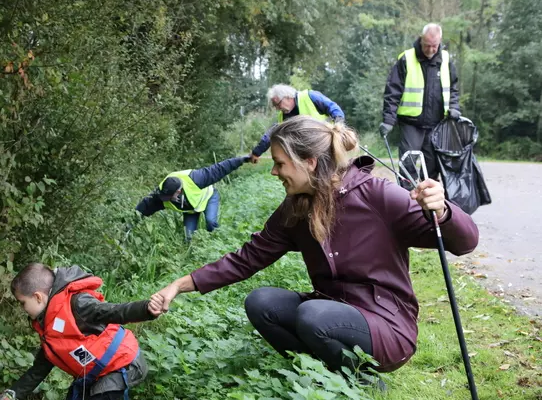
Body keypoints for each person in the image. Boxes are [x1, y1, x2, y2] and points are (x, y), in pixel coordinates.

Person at [150, 117, 479, 381]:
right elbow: (246, 259)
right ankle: (323, 378)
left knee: (312, 314)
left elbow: (465, 242)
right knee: (262, 302)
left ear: (308, 161)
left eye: (280, 163)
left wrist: (444, 211)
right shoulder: (295, 209)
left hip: (386, 329)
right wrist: (180, 285)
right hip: (331, 312)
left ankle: (365, 381)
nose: (274, 171)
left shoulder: (377, 196)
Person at [0, 263, 163, 400]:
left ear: (38, 297)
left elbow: (113, 311)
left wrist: (146, 309)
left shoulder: (77, 304)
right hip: (99, 371)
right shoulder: (48, 325)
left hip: (124, 364)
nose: (23, 309)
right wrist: (11, 395)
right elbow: (38, 370)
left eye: (23, 303)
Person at [380, 23, 461, 185]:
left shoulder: (445, 60)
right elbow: (393, 92)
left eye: (434, 46)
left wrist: (454, 107)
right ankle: (406, 201)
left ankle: (429, 205)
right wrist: (388, 120)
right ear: (421, 39)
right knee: (408, 164)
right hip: (411, 124)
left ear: (440, 42)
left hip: (436, 125)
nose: (431, 50)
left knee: (432, 167)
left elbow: (453, 88)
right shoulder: (406, 59)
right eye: (427, 45)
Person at [135, 154, 251, 240]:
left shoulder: (195, 178)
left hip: (208, 197)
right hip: (191, 209)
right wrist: (129, 223)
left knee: (211, 222)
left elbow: (219, 169)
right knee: (188, 237)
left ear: (179, 191)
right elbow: (144, 207)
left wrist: (241, 160)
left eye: (171, 196)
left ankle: (218, 243)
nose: (167, 199)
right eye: (166, 197)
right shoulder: (161, 195)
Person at [249, 84, 345, 164]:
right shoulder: (282, 116)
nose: (277, 108)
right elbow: (271, 135)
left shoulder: (309, 96)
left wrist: (338, 124)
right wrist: (257, 152)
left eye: (278, 104)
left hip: (325, 148)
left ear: (287, 97)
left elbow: (333, 107)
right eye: (275, 106)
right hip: (305, 156)